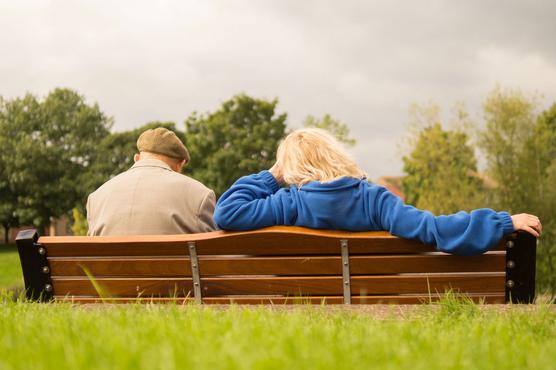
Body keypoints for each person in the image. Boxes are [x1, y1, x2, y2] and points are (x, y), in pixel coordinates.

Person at [214, 128, 542, 256]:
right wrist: (501, 222)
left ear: (292, 169)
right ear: (336, 155)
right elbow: (433, 229)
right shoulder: (375, 199)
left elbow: (227, 212)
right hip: (374, 299)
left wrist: (273, 176)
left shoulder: (287, 203)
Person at [87, 127, 216, 235]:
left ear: (136, 158)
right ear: (180, 164)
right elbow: (212, 254)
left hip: (108, 267)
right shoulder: (200, 195)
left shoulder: (96, 197)